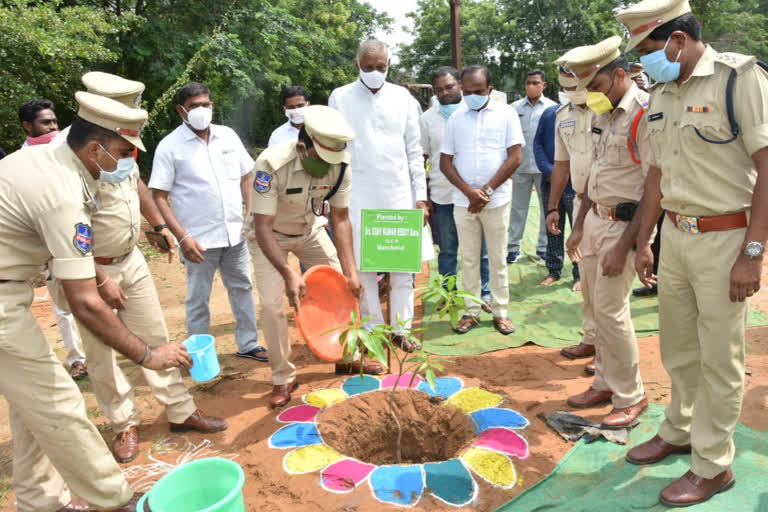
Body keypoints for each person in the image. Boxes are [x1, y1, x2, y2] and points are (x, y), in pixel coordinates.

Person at [0, 91, 193, 512]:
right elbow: (85, 301)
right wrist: (148, 354)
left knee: (30, 406)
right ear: (94, 148)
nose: (127, 163)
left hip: (10, 289)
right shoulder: (62, 189)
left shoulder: (54, 159)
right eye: (124, 152)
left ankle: (37, 501)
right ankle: (114, 500)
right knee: (59, 401)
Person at [617, 0, 768, 505]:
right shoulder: (661, 90)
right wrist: (646, 239)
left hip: (727, 238)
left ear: (678, 42)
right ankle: (678, 430)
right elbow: (657, 173)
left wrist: (753, 251)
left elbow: (766, 165)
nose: (643, 63)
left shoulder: (738, 78)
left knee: (720, 357)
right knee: (679, 347)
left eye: (649, 49)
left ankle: (712, 464)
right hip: (677, 239)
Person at [51, 73, 226, 465]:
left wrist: (159, 226)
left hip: (131, 260)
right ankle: (123, 423)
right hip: (86, 269)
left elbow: (139, 186)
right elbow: (57, 238)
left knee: (156, 336)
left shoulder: (119, 143)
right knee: (100, 352)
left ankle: (180, 411)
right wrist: (99, 278)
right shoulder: (69, 155)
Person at [248, 105, 383, 408]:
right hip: (269, 237)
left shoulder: (341, 165)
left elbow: (341, 218)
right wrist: (288, 272)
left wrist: (350, 272)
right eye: (321, 159)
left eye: (332, 160)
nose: (327, 167)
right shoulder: (270, 164)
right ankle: (282, 376)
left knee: (344, 289)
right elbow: (262, 226)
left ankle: (348, 357)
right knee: (272, 306)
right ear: (301, 147)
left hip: (310, 231)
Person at [561, 36, 649, 427]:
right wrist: (578, 226)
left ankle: (632, 396)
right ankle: (604, 382)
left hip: (624, 226)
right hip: (596, 219)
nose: (591, 96)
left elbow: (653, 189)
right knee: (597, 310)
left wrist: (631, 245)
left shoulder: (642, 114)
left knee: (613, 312)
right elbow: (592, 176)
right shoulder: (604, 112)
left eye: (594, 87)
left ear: (618, 75)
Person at [150, 81, 268, 362]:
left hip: (234, 233)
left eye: (205, 104)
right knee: (197, 299)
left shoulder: (227, 136)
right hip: (197, 240)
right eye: (193, 106)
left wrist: (250, 215)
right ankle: (199, 354)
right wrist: (182, 237)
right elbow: (159, 197)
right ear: (181, 110)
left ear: (212, 106)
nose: (200, 110)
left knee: (242, 287)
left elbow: (246, 176)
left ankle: (248, 343)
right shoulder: (170, 146)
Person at [329, 39, 427, 352]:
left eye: (381, 67)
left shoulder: (404, 98)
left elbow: (414, 151)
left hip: (399, 195)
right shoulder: (340, 97)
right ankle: (373, 330)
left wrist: (420, 197)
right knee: (366, 270)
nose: (375, 73)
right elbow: (334, 148)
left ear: (389, 65)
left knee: (402, 270)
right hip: (357, 197)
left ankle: (401, 329)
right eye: (369, 67)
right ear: (357, 65)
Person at [440, 65, 524, 335]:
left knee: (498, 258)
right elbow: (444, 162)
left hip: (495, 200)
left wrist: (486, 191)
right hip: (463, 201)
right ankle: (471, 311)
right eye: (467, 91)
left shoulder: (506, 113)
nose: (472, 96)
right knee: (469, 258)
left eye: (478, 91)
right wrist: (468, 190)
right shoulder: (456, 119)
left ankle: (500, 312)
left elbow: (515, 157)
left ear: (490, 89)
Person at [19, 98, 89, 380]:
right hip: (50, 243)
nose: (52, 126)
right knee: (63, 306)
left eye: (54, 121)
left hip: (83, 234)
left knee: (95, 297)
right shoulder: (19, 161)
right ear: (27, 126)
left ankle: (102, 354)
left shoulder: (67, 147)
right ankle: (76, 359)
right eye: (45, 122)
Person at [420, 66, 492, 313]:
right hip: (443, 196)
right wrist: (424, 196)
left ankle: (484, 295)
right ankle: (448, 294)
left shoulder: (475, 111)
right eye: (439, 89)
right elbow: (422, 158)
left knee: (480, 250)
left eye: (449, 87)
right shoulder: (427, 119)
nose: (445, 93)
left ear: (460, 85)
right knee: (448, 250)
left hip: (474, 196)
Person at [546, 63, 599, 372]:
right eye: (566, 88)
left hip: (611, 204)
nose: (571, 92)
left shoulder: (606, 110)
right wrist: (553, 207)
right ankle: (591, 338)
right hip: (580, 202)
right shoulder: (562, 116)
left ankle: (608, 347)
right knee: (588, 277)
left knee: (608, 281)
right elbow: (561, 164)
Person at [508, 70, 557, 263]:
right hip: (519, 167)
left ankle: (543, 248)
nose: (531, 86)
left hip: (544, 168)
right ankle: (513, 247)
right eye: (528, 82)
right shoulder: (514, 108)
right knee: (518, 209)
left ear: (543, 85)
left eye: (535, 82)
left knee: (547, 209)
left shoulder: (553, 107)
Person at [533, 100, 580, 288]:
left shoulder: (590, 114)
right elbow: (537, 144)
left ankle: (580, 273)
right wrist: (549, 171)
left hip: (575, 186)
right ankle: (554, 270)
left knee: (578, 228)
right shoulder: (550, 114)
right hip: (550, 184)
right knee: (553, 227)